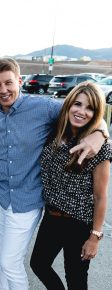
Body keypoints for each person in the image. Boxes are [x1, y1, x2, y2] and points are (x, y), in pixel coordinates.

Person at [0, 58, 107, 290]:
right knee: (4, 256)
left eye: (8, 83)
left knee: (10, 262)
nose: (3, 90)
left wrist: (100, 134)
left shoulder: (43, 108)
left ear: (19, 81)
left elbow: (88, 114)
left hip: (28, 201)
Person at [30, 81, 111, 290]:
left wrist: (95, 236)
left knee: (75, 279)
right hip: (52, 216)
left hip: (79, 223)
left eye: (90, 108)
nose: (82, 112)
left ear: (96, 113)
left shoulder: (98, 148)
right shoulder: (56, 131)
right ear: (68, 104)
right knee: (38, 264)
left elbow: (101, 197)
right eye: (77, 104)